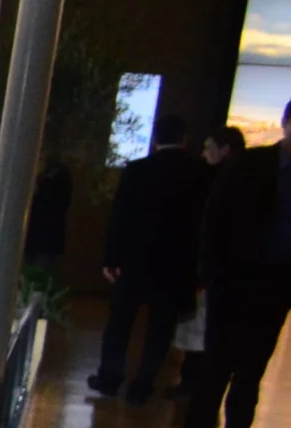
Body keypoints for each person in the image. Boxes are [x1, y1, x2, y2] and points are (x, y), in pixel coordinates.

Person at [181, 103, 291, 428]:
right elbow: (215, 217)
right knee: (217, 369)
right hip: (234, 283)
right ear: (286, 125)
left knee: (249, 374)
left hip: (277, 288)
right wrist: (209, 273)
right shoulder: (250, 165)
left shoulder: (251, 165)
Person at [89, 112, 213, 403]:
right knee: (161, 328)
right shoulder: (200, 174)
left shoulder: (137, 170)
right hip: (177, 265)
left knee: (120, 321)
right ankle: (143, 385)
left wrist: (111, 258)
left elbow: (119, 218)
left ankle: (109, 378)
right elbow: (204, 225)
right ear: (184, 139)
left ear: (155, 139)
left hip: (136, 260)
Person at [165, 125, 244, 399]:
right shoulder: (232, 180)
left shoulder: (213, 181)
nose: (204, 153)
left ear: (225, 150)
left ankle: (192, 382)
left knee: (200, 328)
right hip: (220, 269)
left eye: (209, 147)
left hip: (213, 269)